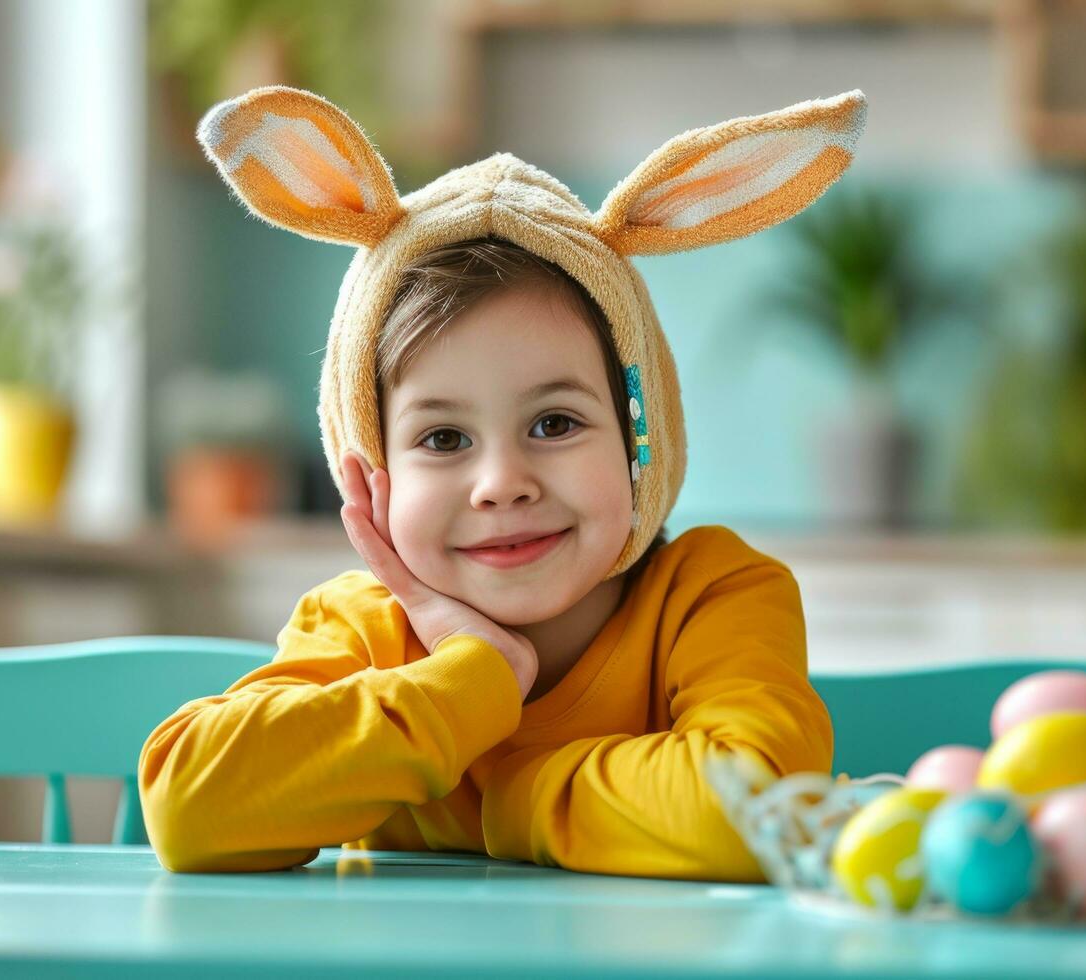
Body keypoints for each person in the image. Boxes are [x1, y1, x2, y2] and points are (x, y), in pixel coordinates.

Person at [140, 84, 867, 879]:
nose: (501, 483)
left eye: (554, 424)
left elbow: (758, 811)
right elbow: (188, 808)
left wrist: (508, 793)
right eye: (443, 438)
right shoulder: (363, 630)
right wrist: (475, 675)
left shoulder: (714, 595)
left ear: (639, 441)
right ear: (371, 470)